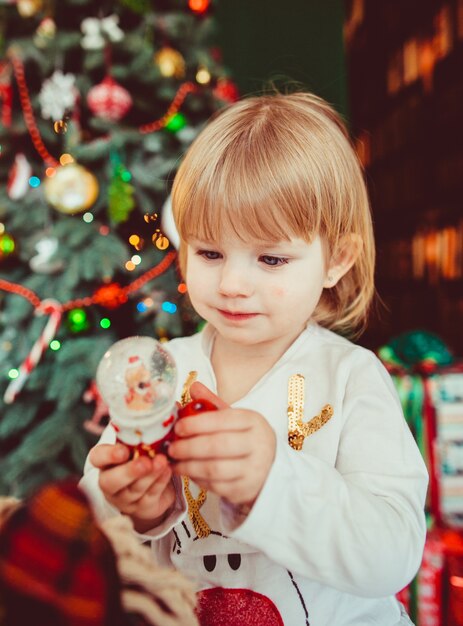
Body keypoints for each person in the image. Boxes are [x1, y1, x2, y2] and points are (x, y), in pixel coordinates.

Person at [80, 91, 428, 626]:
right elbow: (96, 547)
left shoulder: (351, 379)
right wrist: (135, 507)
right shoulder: (161, 376)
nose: (233, 284)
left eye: (271, 258)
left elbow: (392, 555)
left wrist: (274, 481)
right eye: (210, 253)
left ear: (336, 259)